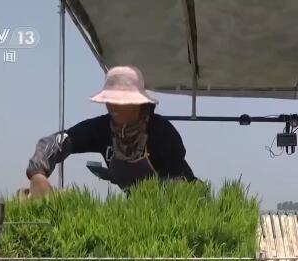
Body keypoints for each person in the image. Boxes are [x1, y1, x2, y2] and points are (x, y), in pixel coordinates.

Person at [25, 66, 196, 198]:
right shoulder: (101, 129)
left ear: (138, 103)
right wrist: (38, 174)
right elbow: (62, 140)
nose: (113, 106)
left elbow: (177, 185)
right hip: (138, 207)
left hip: (182, 202)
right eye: (110, 100)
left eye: (121, 101)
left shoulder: (162, 133)